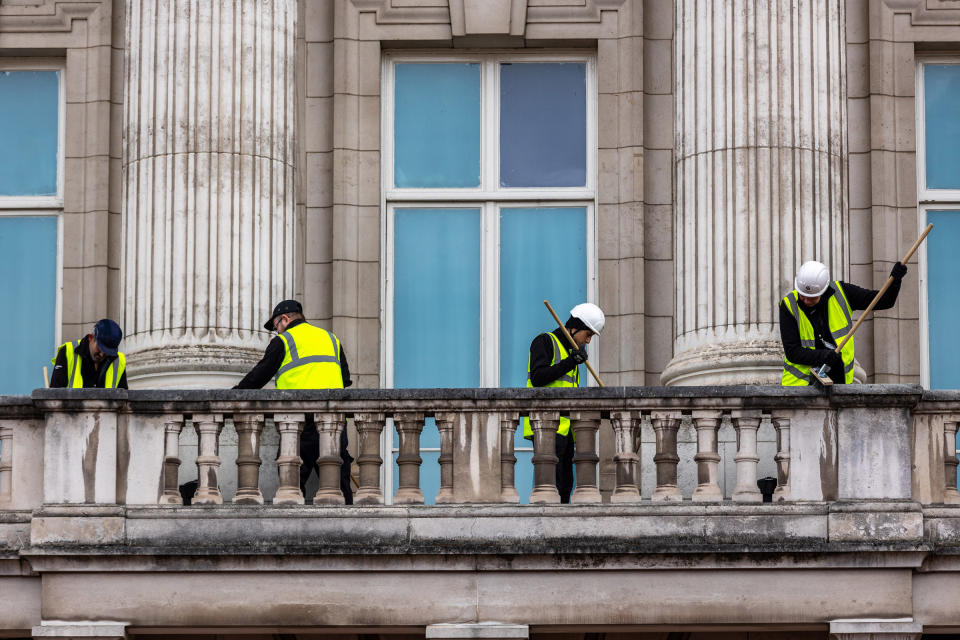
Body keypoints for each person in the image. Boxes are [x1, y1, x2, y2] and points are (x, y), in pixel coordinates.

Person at [235, 299, 354, 503]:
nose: (277, 332)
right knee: (339, 486)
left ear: (285, 319)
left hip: (301, 423)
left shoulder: (284, 341)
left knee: (291, 485)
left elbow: (259, 376)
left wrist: (234, 395)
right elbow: (345, 379)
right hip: (334, 423)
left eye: (276, 327)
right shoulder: (331, 339)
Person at [780, 260, 908, 385]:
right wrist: (823, 355)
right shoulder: (788, 305)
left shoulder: (843, 293)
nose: (806, 301)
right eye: (802, 295)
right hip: (800, 387)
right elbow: (792, 352)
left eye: (812, 297)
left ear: (823, 290)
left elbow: (885, 300)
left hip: (839, 384)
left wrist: (895, 280)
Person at [525, 302, 604, 503]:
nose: (588, 340)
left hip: (566, 429)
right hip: (546, 426)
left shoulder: (571, 354)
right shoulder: (545, 341)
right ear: (574, 327)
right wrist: (570, 362)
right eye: (587, 334)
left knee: (565, 485)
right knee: (551, 486)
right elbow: (538, 378)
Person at [50, 318, 127, 389]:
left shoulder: (118, 361)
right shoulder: (67, 352)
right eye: (100, 348)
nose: (102, 354)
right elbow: (54, 396)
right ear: (91, 338)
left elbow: (124, 398)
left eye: (107, 352)